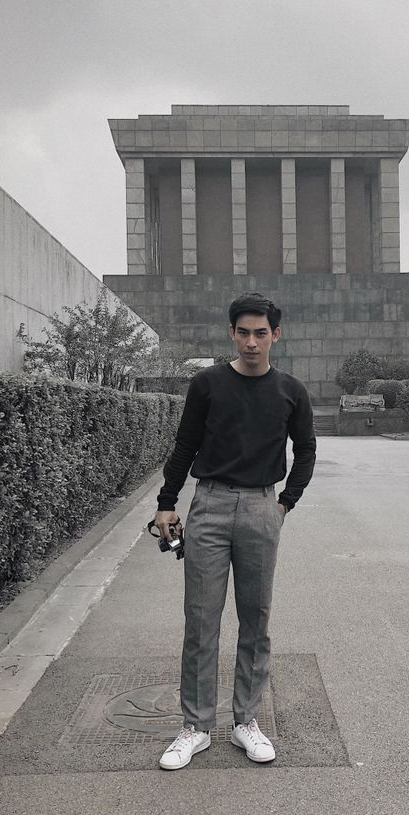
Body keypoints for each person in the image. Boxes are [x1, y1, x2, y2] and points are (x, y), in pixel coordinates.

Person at [154, 292, 316, 770]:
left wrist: (285, 503)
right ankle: (196, 726)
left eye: (260, 333)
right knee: (201, 619)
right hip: (210, 504)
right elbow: (185, 444)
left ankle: (246, 720)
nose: (251, 342)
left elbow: (306, 449)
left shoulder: (290, 391)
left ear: (275, 335)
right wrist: (166, 503)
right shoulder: (207, 384)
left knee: (255, 618)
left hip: (263, 507)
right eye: (243, 332)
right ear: (231, 333)